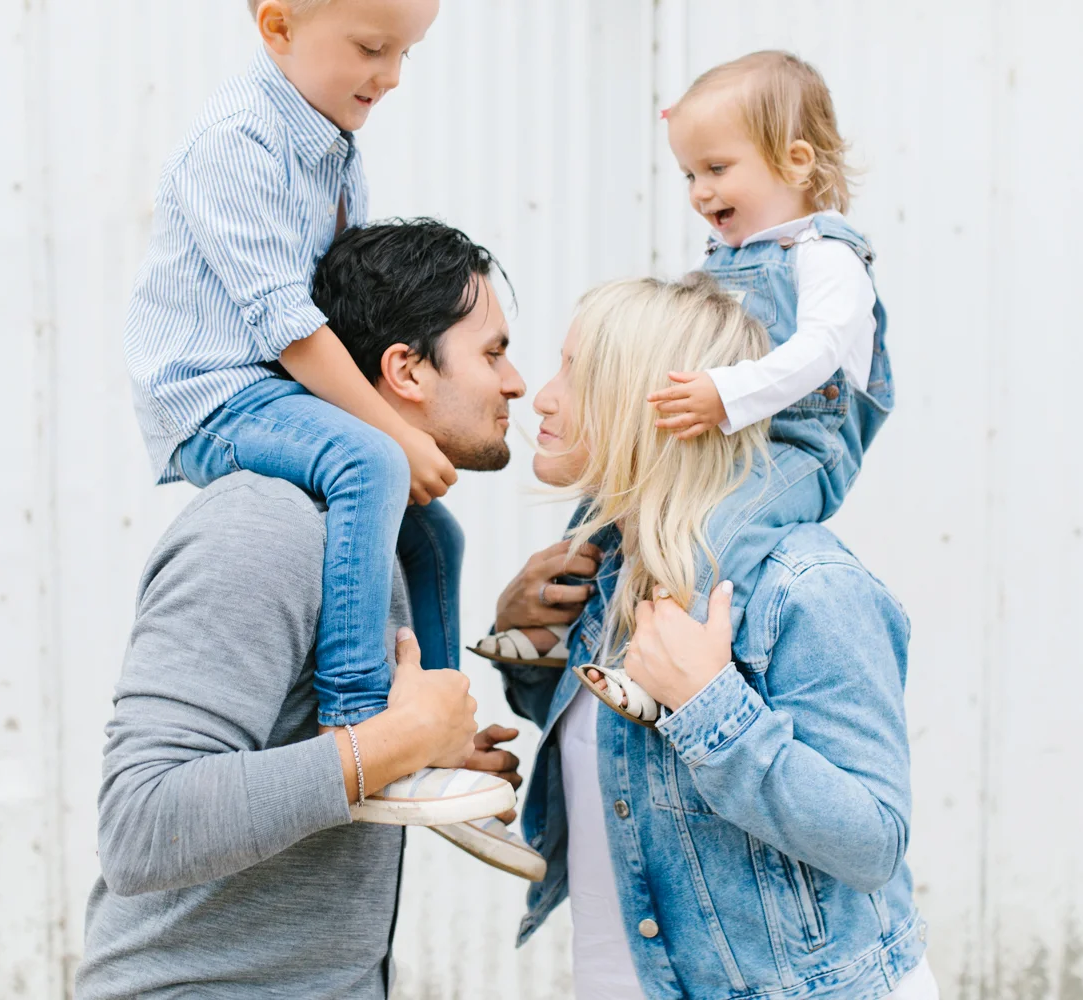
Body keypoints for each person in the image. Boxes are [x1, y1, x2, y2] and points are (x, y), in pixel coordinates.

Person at [76, 220, 538, 1000]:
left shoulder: (389, 537)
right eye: (492, 352)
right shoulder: (265, 527)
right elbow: (141, 826)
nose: (517, 382)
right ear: (407, 371)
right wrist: (392, 743)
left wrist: (423, 752)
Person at [490, 274, 937, 998]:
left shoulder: (807, 587)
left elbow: (874, 841)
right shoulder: (610, 570)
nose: (542, 396)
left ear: (653, 406)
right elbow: (624, 766)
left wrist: (711, 706)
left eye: (577, 372)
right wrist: (526, 643)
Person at [121, 0, 492, 818]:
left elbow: (341, 305)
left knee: (434, 531)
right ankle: (359, 719)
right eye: (371, 47)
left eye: (406, 54)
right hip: (212, 392)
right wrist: (391, 428)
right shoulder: (235, 144)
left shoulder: (332, 146)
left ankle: (435, 724)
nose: (390, 76)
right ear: (278, 25)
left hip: (276, 390)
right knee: (369, 461)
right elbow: (289, 324)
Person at [472, 51, 894, 731]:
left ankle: (663, 674)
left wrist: (726, 392)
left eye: (717, 170)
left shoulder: (827, 257)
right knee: (599, 518)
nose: (700, 192)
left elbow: (817, 355)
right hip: (728, 423)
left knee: (714, 537)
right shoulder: (724, 257)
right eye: (690, 174)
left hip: (798, 443)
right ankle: (554, 641)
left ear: (796, 161)